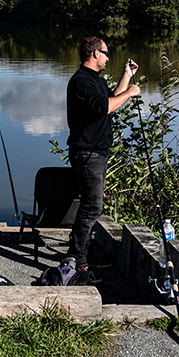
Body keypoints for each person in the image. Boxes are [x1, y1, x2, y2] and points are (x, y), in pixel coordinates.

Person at [66, 36, 139, 272]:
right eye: (106, 53)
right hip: (88, 153)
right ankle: (78, 261)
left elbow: (109, 102)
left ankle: (79, 255)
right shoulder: (81, 81)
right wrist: (131, 93)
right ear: (95, 53)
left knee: (91, 205)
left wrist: (126, 77)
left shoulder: (94, 80)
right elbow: (106, 107)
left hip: (96, 153)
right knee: (92, 207)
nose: (109, 58)